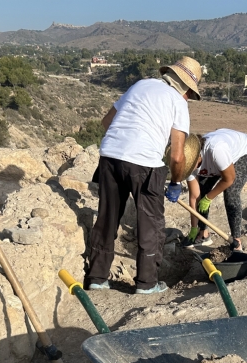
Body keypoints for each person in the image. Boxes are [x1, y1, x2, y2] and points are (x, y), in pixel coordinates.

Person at [83, 56, 202, 294]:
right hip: (145, 164)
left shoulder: (140, 84)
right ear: (186, 88)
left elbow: (107, 121)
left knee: (107, 218)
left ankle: (97, 277)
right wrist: (176, 182)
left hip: (110, 157)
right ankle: (147, 283)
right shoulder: (178, 103)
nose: (189, 97)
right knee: (151, 224)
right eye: (191, 93)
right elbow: (178, 156)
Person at [183, 129, 247, 251]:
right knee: (202, 190)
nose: (191, 168)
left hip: (244, 154)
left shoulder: (216, 150)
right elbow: (194, 197)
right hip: (218, 160)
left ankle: (237, 242)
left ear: (198, 155)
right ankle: (203, 234)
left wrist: (208, 198)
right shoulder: (186, 163)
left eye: (192, 164)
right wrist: (193, 227)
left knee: (231, 192)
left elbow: (229, 179)